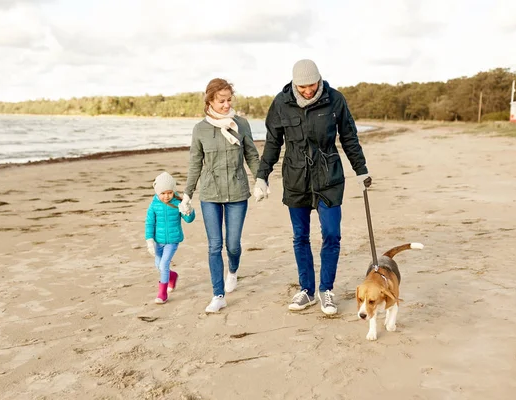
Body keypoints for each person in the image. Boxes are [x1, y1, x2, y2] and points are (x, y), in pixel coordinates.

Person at [253, 59, 372, 315]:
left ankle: (326, 290)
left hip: (328, 177)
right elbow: (273, 143)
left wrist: (361, 170)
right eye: (303, 86)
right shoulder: (281, 103)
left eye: (312, 85)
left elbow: (349, 137)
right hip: (295, 179)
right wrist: (262, 176)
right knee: (300, 237)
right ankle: (306, 290)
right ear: (295, 84)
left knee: (331, 234)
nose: (308, 91)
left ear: (319, 79)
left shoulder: (335, 100)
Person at [179, 78, 261, 313]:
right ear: (210, 101)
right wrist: (187, 195)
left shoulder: (242, 124)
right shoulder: (201, 129)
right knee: (215, 246)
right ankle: (218, 295)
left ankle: (233, 270)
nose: (226, 105)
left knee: (232, 245)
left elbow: (252, 156)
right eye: (221, 101)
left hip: (237, 193)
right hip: (210, 194)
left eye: (228, 100)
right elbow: (195, 164)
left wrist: (260, 181)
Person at [145, 171, 195, 304]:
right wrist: (149, 241)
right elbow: (149, 223)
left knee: (164, 264)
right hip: (158, 241)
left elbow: (189, 219)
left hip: (172, 241)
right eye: (163, 193)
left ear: (173, 191)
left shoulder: (178, 203)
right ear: (157, 192)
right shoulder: (154, 205)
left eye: (169, 192)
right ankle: (172, 276)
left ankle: (162, 294)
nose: (166, 196)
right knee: (159, 265)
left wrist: (188, 209)